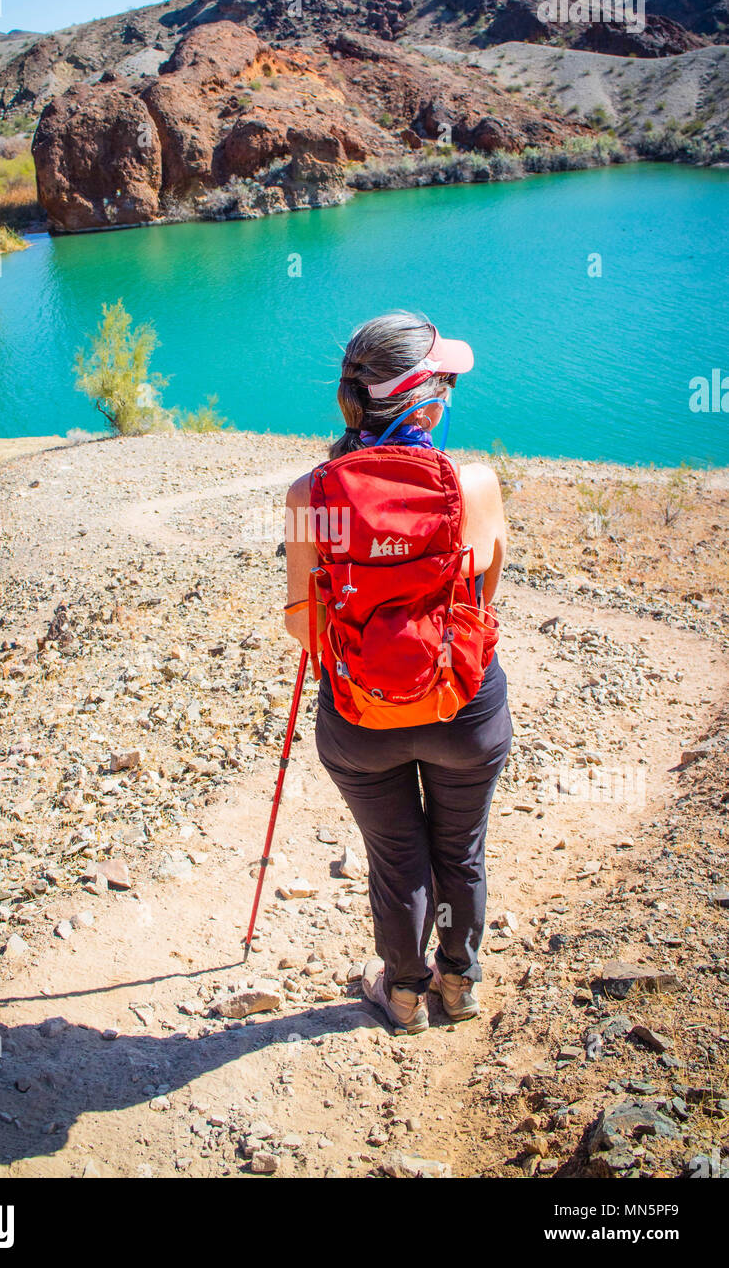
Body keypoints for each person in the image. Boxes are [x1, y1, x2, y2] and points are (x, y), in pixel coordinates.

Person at [284, 311, 512, 1035]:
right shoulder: (473, 483)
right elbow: (485, 593)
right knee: (460, 849)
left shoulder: (308, 495)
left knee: (396, 860)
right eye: (445, 380)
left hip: (360, 717)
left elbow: (302, 622)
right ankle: (461, 982)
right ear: (427, 399)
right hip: (463, 710)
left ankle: (405, 993)